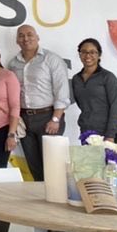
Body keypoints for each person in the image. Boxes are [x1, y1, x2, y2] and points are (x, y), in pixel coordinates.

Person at [7, 24, 70, 182]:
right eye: (21, 35)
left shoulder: (52, 59)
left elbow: (62, 91)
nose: (25, 38)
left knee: (52, 166)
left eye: (29, 34)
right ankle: (41, 197)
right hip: (24, 120)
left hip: (48, 118)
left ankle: (57, 197)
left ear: (37, 37)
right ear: (17, 40)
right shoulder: (13, 64)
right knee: (34, 166)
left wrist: (55, 119)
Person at [72, 38, 117, 142]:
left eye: (92, 52)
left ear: (99, 55)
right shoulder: (76, 79)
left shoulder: (107, 77)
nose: (87, 55)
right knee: (88, 154)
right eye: (84, 52)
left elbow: (115, 106)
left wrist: (110, 135)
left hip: (106, 132)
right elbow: (82, 104)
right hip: (86, 131)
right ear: (80, 54)